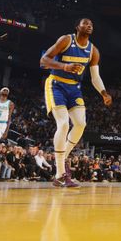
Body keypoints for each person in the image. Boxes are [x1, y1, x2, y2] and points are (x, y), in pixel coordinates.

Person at [40, 18, 113, 188]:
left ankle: (62, 158)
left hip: (74, 89)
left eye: (91, 24)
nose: (89, 25)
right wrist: (64, 67)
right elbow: (43, 61)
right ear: (77, 27)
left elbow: (95, 77)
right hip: (56, 84)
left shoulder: (93, 51)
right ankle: (59, 172)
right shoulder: (66, 40)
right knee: (64, 124)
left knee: (80, 124)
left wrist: (104, 93)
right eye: (85, 23)